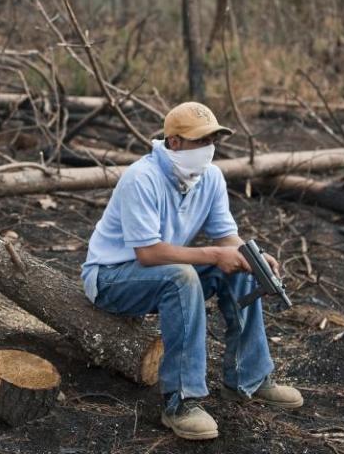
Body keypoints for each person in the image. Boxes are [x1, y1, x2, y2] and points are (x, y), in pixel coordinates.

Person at [80, 101, 304, 441]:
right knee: (181, 276)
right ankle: (180, 402)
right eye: (199, 141)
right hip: (111, 279)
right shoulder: (141, 178)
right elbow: (148, 253)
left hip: (159, 273)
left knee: (241, 266)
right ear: (174, 143)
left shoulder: (210, 176)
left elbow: (226, 236)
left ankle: (249, 377)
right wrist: (214, 254)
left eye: (212, 141)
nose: (207, 150)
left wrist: (252, 256)